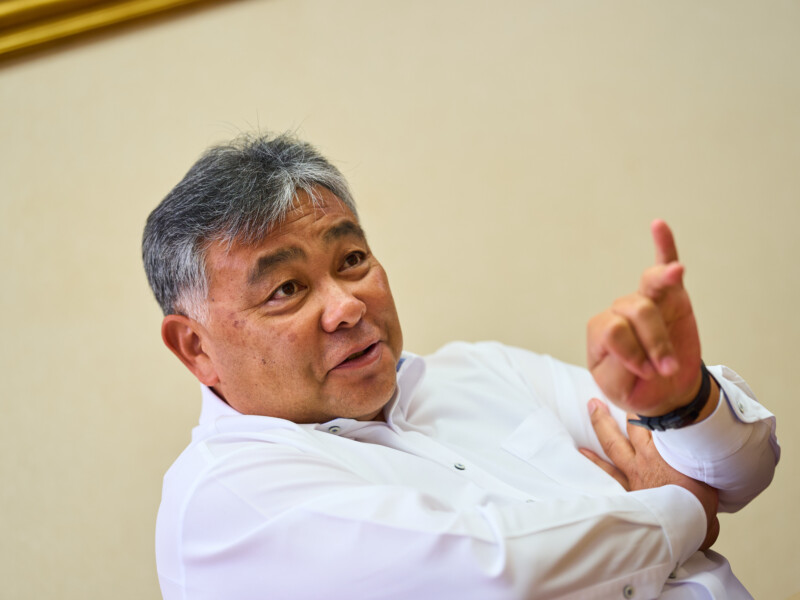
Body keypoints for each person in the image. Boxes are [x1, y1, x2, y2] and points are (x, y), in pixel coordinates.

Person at [142, 132, 779, 600]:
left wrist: (682, 404)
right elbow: (499, 577)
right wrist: (681, 509)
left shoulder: (481, 369)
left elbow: (746, 470)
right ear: (195, 347)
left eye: (352, 260)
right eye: (287, 289)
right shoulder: (223, 499)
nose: (346, 306)